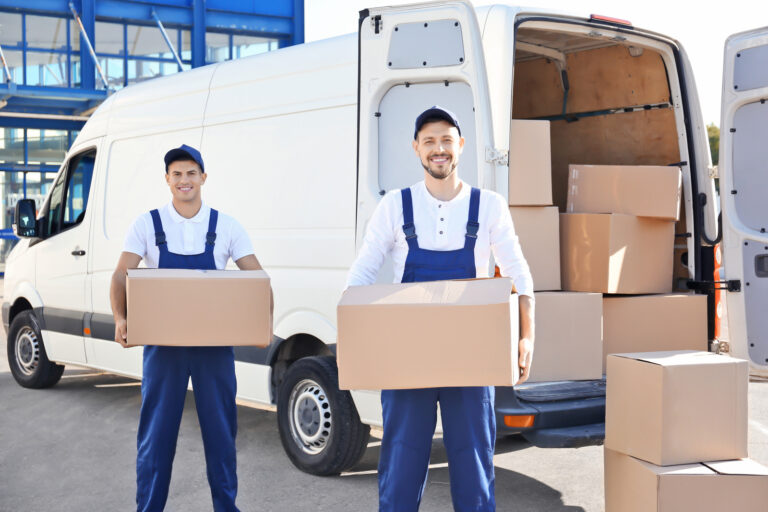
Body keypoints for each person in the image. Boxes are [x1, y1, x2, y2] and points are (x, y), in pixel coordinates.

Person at [346, 106, 535, 511]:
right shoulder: (395, 206)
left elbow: (517, 270)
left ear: (460, 146)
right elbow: (363, 272)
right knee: (400, 464)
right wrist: (354, 338)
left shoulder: (489, 206)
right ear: (416, 148)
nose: (439, 149)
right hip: (405, 357)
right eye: (429, 141)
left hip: (472, 357)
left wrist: (526, 334)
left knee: (474, 466)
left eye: (447, 140)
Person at [110, 144, 268, 512]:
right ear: (167, 179)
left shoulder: (226, 226)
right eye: (177, 174)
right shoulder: (147, 224)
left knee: (221, 435)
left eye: (191, 173)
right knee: (156, 436)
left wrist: (263, 326)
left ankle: (226, 508)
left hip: (214, 349)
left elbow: (259, 279)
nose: (184, 180)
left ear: (203, 178)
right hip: (163, 348)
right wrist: (121, 318)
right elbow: (120, 274)